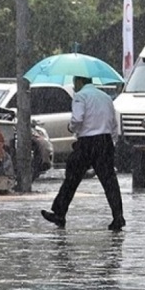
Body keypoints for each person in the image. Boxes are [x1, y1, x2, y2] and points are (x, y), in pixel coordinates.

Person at [41, 76, 125, 231]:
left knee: (71, 179)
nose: (74, 87)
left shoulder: (80, 96)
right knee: (110, 182)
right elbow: (114, 124)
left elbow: (77, 119)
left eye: (74, 83)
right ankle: (118, 216)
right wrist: (111, 143)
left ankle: (59, 212)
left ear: (79, 82)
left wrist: (71, 128)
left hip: (87, 143)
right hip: (105, 142)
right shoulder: (106, 98)